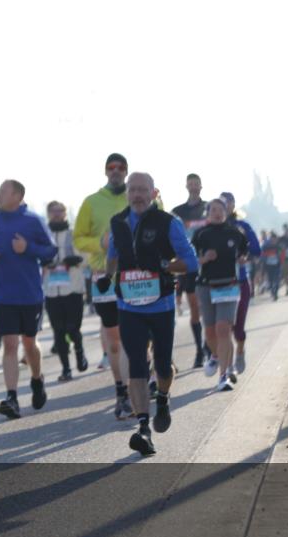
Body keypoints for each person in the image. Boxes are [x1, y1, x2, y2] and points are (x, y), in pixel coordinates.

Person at [102, 172, 198, 456]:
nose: (137, 195)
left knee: (163, 365)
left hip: (161, 304)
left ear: (154, 193)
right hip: (128, 305)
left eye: (143, 190)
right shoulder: (118, 222)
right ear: (127, 193)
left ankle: (164, 398)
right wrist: (107, 277)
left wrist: (165, 267)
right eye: (133, 190)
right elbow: (112, 257)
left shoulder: (169, 223)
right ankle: (143, 427)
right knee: (137, 364)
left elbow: (191, 262)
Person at [0, 180, 56, 417]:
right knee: (10, 344)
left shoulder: (33, 221)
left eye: (2, 191)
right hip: (3, 293)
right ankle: (11, 397)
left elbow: (50, 252)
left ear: (17, 195)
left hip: (29, 294)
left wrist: (28, 248)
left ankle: (37, 379)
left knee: (29, 343)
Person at [73, 153, 131, 419]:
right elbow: (78, 239)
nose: (116, 171)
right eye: (111, 167)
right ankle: (122, 391)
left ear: (126, 171)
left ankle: (141, 376)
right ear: (106, 171)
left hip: (136, 276)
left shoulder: (138, 196)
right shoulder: (92, 202)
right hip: (103, 277)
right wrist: (101, 243)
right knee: (116, 340)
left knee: (137, 338)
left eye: (121, 167)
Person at [192, 199, 248, 391]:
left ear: (226, 212)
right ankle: (215, 355)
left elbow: (245, 253)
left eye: (220, 209)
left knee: (223, 328)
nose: (217, 213)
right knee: (209, 331)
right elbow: (191, 261)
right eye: (213, 210)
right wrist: (204, 259)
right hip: (206, 286)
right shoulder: (200, 234)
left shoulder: (236, 233)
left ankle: (223, 376)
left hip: (228, 285)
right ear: (208, 213)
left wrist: (242, 259)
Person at [43, 201, 88, 382]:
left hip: (73, 288)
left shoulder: (74, 234)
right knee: (58, 331)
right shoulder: (43, 236)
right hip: (52, 291)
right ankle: (66, 369)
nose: (57, 214)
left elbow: (86, 258)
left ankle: (79, 349)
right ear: (48, 214)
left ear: (65, 213)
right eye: (53, 211)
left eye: (60, 210)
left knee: (73, 328)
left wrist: (72, 259)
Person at [220, 192, 260, 373]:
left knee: (238, 328)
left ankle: (241, 350)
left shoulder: (242, 226)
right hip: (220, 284)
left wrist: (246, 256)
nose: (225, 205)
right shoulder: (213, 228)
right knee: (225, 327)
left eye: (228, 202)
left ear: (233, 205)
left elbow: (256, 249)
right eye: (221, 202)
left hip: (240, 281)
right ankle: (227, 369)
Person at [171, 173, 208, 368]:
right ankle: (200, 350)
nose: (193, 186)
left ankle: (208, 344)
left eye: (196, 183)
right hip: (188, 265)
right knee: (195, 307)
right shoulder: (178, 212)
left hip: (209, 265)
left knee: (205, 306)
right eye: (190, 183)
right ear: (186, 186)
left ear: (201, 186)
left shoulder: (209, 208)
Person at [261, 230, 282, 300]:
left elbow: (282, 254)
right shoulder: (266, 246)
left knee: (277, 280)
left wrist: (280, 258)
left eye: (275, 239)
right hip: (269, 265)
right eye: (272, 239)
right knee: (270, 280)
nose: (274, 240)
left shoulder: (279, 246)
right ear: (271, 239)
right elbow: (262, 254)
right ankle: (272, 292)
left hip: (277, 265)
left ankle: (275, 293)